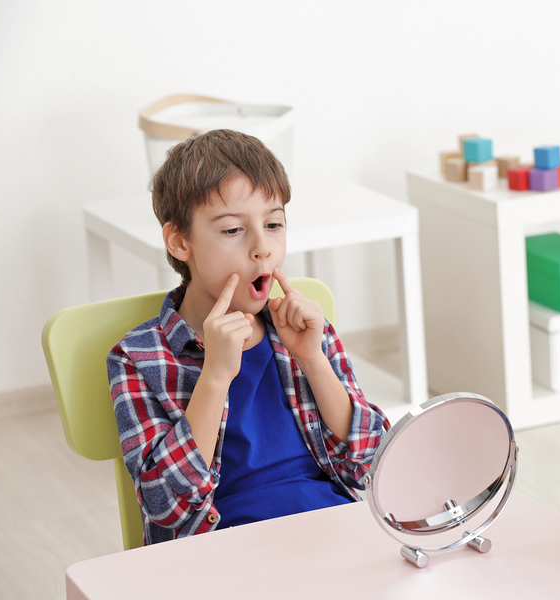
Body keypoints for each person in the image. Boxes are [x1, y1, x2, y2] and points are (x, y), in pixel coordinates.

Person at [108, 129, 388, 545]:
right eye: (232, 230)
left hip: (336, 532)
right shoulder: (138, 358)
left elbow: (370, 464)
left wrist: (313, 359)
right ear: (180, 241)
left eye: (274, 224)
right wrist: (215, 377)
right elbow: (167, 509)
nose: (263, 248)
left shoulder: (308, 329)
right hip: (224, 551)